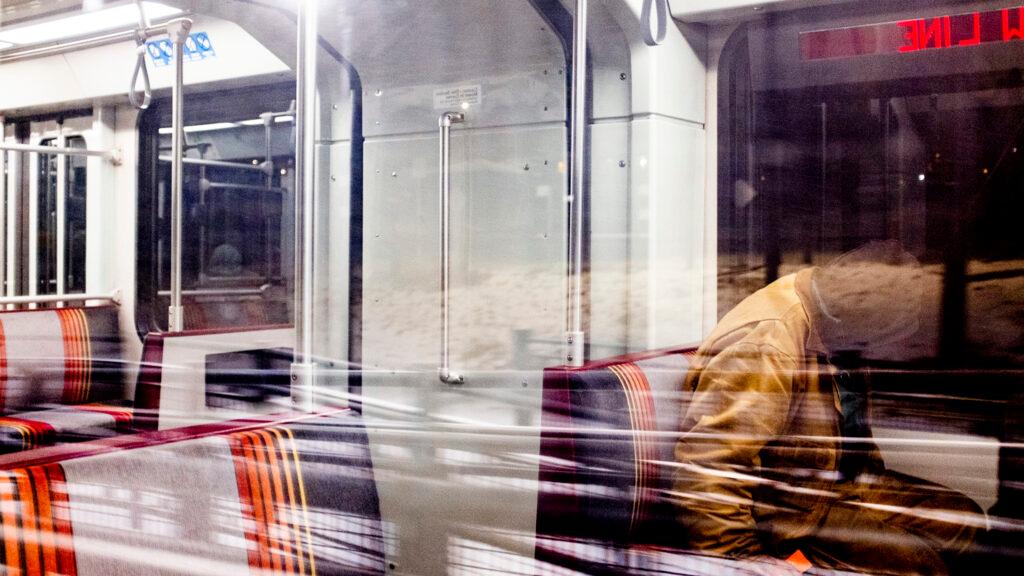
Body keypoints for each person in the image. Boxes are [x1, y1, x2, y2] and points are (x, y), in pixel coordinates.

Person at [673, 241, 983, 575]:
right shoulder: (768, 344)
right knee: (919, 567)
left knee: (963, 522)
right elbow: (709, 468)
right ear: (851, 322)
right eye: (871, 341)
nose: (875, 351)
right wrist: (742, 560)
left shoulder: (834, 302)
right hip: (788, 511)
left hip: (841, 483)